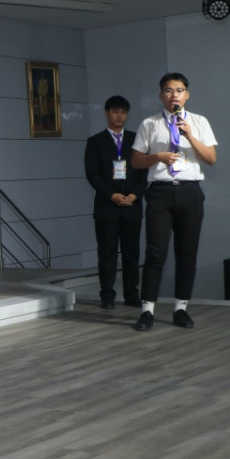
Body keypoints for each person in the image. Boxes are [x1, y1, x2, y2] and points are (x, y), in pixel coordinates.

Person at [129, 73, 218, 331]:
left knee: (187, 253)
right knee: (155, 252)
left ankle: (181, 309)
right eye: (168, 90)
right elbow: (136, 161)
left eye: (179, 90)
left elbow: (211, 158)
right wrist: (157, 157)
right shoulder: (150, 123)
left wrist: (190, 136)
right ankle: (147, 311)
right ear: (161, 95)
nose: (174, 95)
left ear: (187, 95)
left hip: (190, 191)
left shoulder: (199, 122)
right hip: (160, 191)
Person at [84, 95, 146, 310]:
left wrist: (136, 195)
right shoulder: (95, 142)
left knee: (132, 253)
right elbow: (92, 174)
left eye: (123, 112)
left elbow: (144, 174)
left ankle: (131, 294)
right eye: (115, 111)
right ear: (107, 113)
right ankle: (107, 295)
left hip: (132, 205)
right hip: (107, 206)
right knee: (107, 253)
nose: (119, 116)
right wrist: (111, 195)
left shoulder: (137, 140)